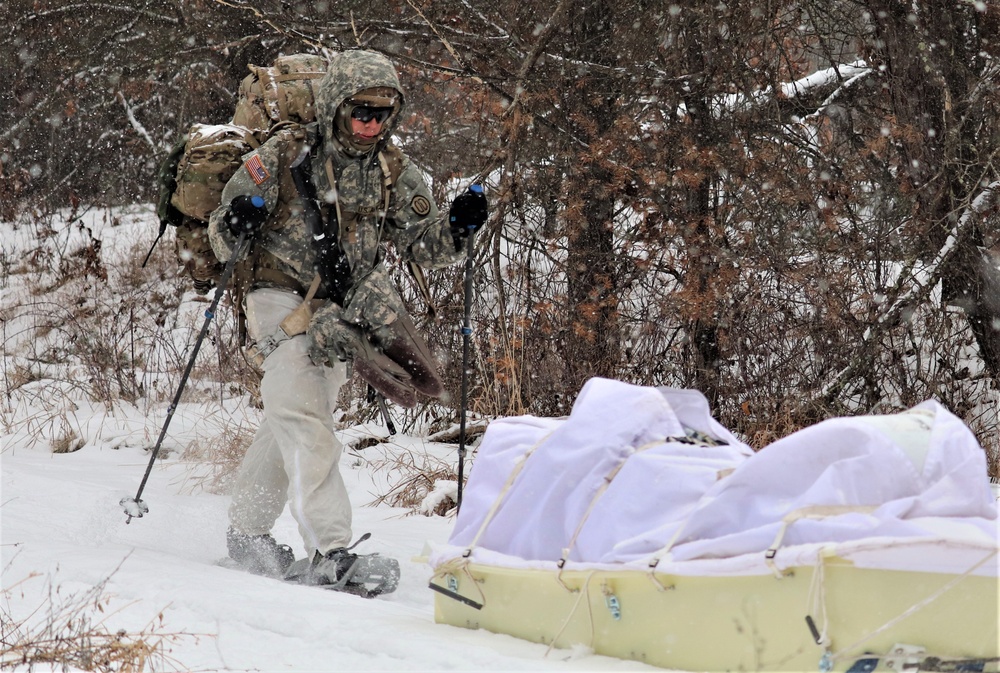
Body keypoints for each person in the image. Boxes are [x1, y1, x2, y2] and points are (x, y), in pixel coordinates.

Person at [207, 49, 487, 584]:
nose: (371, 124)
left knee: (290, 416)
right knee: (308, 420)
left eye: (383, 114)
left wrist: (457, 226)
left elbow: (428, 248)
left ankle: (245, 535)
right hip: (280, 297)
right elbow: (222, 234)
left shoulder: (394, 169)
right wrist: (238, 220)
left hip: (344, 310)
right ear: (336, 106)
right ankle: (331, 553)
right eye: (361, 111)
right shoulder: (284, 155)